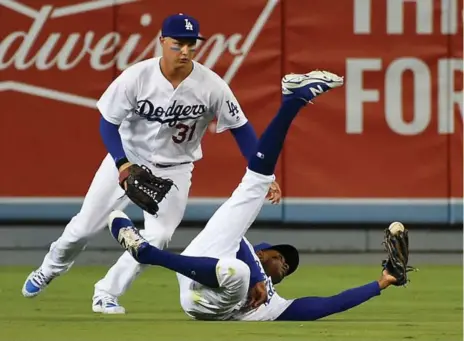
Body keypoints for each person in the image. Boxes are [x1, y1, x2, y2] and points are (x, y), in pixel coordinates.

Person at [21, 13, 282, 314]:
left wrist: (265, 175)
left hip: (176, 170)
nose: (185, 51)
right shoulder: (137, 77)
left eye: (191, 44)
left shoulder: (212, 85)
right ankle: (49, 269)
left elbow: (241, 129)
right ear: (162, 42)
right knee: (82, 228)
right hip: (128, 159)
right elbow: (108, 123)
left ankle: (107, 292)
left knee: (157, 237)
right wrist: (121, 163)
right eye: (177, 44)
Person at [106, 70, 406, 322]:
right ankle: (293, 101)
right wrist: (258, 273)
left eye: (286, 268)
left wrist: (380, 283)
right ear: (263, 253)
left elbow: (328, 305)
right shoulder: (248, 254)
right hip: (204, 257)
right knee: (256, 182)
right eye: (281, 259)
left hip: (205, 300)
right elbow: (245, 249)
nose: (284, 268)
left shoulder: (270, 304)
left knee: (235, 271)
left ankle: (149, 254)